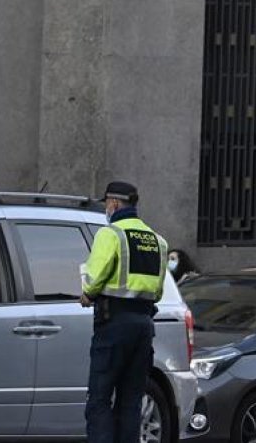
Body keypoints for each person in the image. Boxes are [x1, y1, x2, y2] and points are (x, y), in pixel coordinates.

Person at [80, 181, 168, 443]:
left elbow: (93, 280)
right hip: (143, 328)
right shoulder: (158, 242)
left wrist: (87, 294)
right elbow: (158, 292)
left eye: (106, 203)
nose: (106, 208)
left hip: (113, 326)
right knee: (131, 403)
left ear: (115, 203)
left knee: (99, 400)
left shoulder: (111, 234)